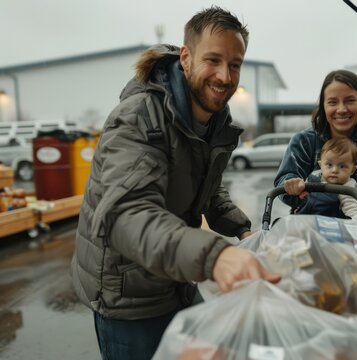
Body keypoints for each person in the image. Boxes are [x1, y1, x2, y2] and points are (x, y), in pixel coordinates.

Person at [70, 7, 279, 360]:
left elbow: (208, 191)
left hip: (176, 279)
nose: (225, 76)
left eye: (235, 64)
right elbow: (125, 216)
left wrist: (244, 233)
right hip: (128, 297)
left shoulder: (216, 124)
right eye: (213, 59)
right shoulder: (139, 117)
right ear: (186, 57)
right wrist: (217, 257)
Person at [275, 69, 357, 217]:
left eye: (350, 100)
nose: (341, 109)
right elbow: (284, 183)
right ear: (323, 106)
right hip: (305, 226)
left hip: (348, 232)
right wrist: (291, 184)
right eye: (333, 102)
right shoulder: (303, 141)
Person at [294, 137, 357, 219]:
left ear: (352, 170)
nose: (335, 170)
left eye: (342, 166)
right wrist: (303, 194)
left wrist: (356, 223)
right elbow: (303, 194)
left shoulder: (347, 187)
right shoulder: (314, 176)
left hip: (329, 225)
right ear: (321, 165)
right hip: (303, 218)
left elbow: (352, 208)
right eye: (329, 165)